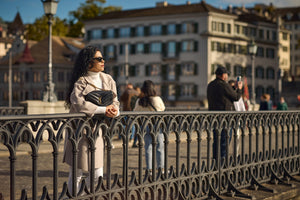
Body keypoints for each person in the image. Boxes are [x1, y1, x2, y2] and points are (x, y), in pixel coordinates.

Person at [63, 46, 120, 194]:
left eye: (103, 58)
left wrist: (115, 110)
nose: (103, 61)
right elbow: (79, 103)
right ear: (89, 62)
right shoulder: (81, 82)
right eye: (99, 59)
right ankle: (74, 197)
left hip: (98, 131)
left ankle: (82, 195)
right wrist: (103, 110)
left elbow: (115, 101)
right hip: (79, 131)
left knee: (97, 174)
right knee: (77, 172)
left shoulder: (108, 79)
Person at [207, 66, 243, 161]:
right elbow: (236, 97)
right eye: (226, 74)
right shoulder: (224, 85)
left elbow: (223, 95)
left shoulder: (210, 85)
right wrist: (239, 89)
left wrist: (232, 88)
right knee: (225, 141)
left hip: (214, 117)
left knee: (216, 141)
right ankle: (222, 162)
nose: (227, 76)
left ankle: (215, 161)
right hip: (225, 118)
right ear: (223, 75)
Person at [133, 80, 165, 172]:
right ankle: (161, 168)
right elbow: (163, 109)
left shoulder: (140, 101)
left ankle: (149, 169)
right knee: (159, 147)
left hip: (145, 125)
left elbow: (135, 111)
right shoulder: (157, 99)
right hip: (157, 125)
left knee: (148, 147)